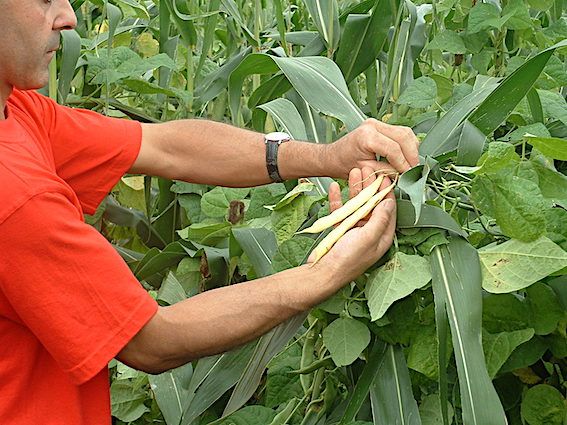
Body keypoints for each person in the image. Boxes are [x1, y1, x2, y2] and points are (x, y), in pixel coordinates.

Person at [0, 1, 420, 424]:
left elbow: (163, 145)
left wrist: (328, 156)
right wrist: (324, 273)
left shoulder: (13, 110)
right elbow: (151, 340)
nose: (69, 16)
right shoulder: (16, 197)